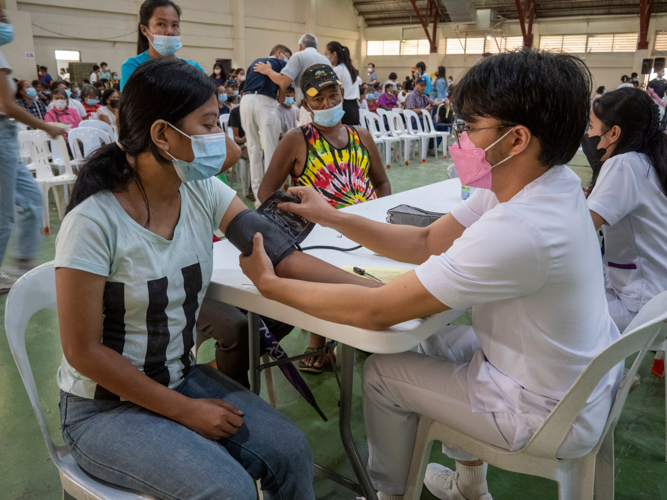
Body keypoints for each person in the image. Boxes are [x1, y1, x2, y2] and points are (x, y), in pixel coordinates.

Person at [241, 48, 623, 500]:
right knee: (433, 337)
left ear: (517, 139)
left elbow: (378, 310)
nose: (461, 140)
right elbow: (424, 243)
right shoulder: (538, 182)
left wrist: (271, 286)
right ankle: (468, 486)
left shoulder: (523, 227)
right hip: (568, 372)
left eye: (471, 128)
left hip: (542, 407)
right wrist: (334, 217)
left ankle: (388, 493)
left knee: (383, 374)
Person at [53, 57, 330, 499]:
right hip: (104, 409)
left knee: (292, 451)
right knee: (229, 490)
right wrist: (183, 410)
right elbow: (82, 351)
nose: (222, 137)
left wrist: (379, 292)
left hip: (178, 378)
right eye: (208, 124)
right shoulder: (93, 222)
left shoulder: (200, 190)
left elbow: (279, 254)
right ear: (163, 135)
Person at [258, 64, 391, 373]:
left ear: (343, 95)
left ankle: (365, 328)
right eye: (318, 100)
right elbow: (267, 191)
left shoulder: (362, 136)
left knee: (375, 276)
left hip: (363, 229)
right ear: (305, 104)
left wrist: (378, 217)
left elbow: (382, 182)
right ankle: (319, 341)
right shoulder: (296, 140)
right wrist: (298, 221)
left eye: (333, 96)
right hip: (320, 233)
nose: (327, 104)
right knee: (325, 276)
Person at [583, 88, 667, 332]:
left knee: (551, 312)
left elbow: (582, 229)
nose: (588, 134)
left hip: (640, 305)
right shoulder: (653, 159)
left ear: (614, 132)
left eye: (591, 126)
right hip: (658, 296)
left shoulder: (623, 163)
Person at [0, 8, 66, 291]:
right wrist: (47, 127)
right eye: (2, 19)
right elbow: (7, 106)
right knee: (4, 215)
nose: (7, 24)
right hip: (2, 135)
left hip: (6, 136)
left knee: (30, 200)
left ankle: (22, 265)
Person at [239, 44, 292, 208]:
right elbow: (284, 85)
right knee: (271, 150)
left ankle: (258, 199)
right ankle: (272, 195)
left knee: (254, 150)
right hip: (265, 102)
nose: (289, 61)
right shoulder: (282, 64)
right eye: (288, 56)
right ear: (278, 53)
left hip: (246, 102)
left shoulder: (254, 63)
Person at [120, 0, 205, 91]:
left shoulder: (194, 69)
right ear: (144, 30)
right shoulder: (133, 67)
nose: (170, 31)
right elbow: (133, 104)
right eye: (161, 24)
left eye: (175, 25)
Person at [252, 33, 331, 103]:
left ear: (300, 46)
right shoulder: (327, 61)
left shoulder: (298, 56)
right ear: (316, 47)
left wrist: (267, 71)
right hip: (326, 105)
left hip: (309, 105)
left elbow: (284, 82)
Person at [406, 76, 446, 154]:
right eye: (421, 85)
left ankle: (432, 147)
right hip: (414, 123)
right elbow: (410, 110)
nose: (423, 87)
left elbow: (433, 103)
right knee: (432, 123)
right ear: (416, 85)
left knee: (443, 126)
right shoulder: (412, 95)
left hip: (423, 121)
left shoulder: (423, 96)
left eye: (424, 85)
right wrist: (425, 110)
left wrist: (444, 102)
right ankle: (430, 148)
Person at [325, 41, 360, 126]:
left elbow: (331, 89)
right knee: (352, 135)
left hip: (345, 107)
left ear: (334, 54)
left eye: (326, 54)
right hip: (354, 107)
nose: (325, 57)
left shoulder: (338, 69)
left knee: (343, 136)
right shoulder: (349, 68)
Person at [228, 103, 251, 198]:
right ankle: (253, 189)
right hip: (242, 146)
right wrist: (243, 139)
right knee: (254, 155)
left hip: (256, 144)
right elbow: (235, 138)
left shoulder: (255, 110)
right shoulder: (236, 112)